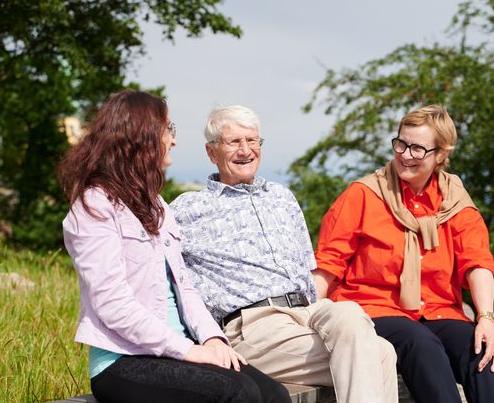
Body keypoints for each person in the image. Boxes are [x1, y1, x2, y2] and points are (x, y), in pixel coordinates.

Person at [58, 91, 290, 403]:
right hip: (124, 360)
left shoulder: (157, 207)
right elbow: (112, 305)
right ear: (142, 138)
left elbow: (185, 288)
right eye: (169, 130)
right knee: (238, 393)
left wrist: (212, 338)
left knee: (274, 394)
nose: (174, 141)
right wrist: (189, 350)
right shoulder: (94, 206)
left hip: (176, 351)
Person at [170, 105, 399, 403]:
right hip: (253, 325)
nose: (246, 150)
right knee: (381, 353)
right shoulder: (187, 209)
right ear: (212, 152)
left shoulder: (282, 197)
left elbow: (306, 265)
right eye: (234, 142)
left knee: (350, 313)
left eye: (253, 141)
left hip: (306, 311)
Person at [314, 104, 494, 403]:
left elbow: (477, 263)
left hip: (439, 309)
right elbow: (329, 261)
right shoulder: (364, 194)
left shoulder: (455, 200)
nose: (405, 155)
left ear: (441, 154)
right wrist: (307, 315)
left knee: (480, 349)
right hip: (376, 308)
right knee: (422, 344)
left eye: (417, 149)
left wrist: (486, 319)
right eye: (401, 144)